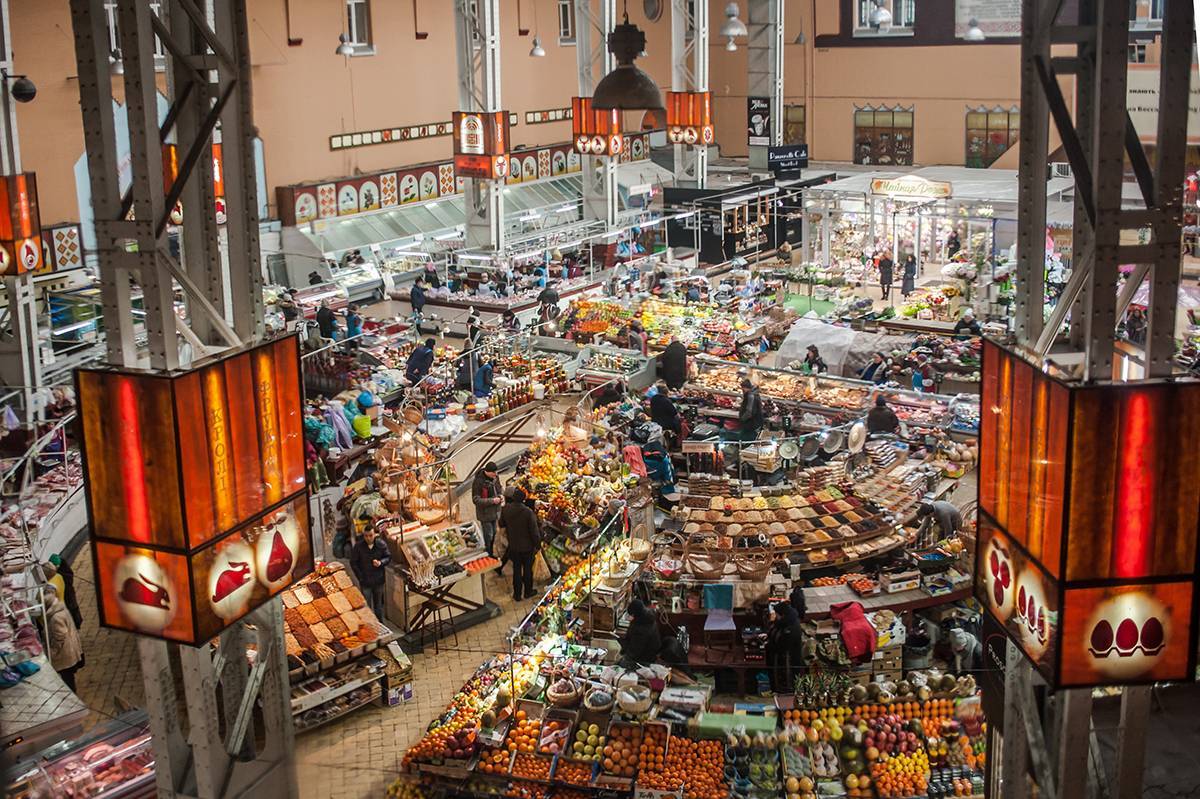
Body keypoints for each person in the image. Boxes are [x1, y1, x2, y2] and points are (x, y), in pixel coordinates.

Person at [500, 485, 541, 600]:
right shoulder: (528, 512)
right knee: (528, 570)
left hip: (513, 545)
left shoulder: (506, 509)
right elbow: (534, 532)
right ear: (524, 500)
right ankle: (528, 592)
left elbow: (501, 524)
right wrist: (538, 545)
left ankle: (517, 594)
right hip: (527, 547)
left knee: (517, 570)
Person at [43, 585, 83, 691]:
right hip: (70, 649)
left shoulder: (55, 617)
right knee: (69, 677)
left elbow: (60, 637)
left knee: (67, 678)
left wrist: (52, 652)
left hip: (64, 653)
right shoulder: (61, 608)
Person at [349, 527, 391, 620]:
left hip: (378, 580)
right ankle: (369, 625)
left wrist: (381, 562)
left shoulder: (381, 544)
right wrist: (360, 576)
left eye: (370, 535)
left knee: (378, 606)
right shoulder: (358, 547)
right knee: (366, 606)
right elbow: (353, 562)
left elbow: (388, 557)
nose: (368, 538)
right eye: (366, 536)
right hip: (365, 581)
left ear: (375, 535)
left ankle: (380, 623)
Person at [766, 601, 805, 692]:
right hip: (777, 660)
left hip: (787, 661)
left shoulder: (791, 628)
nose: (776, 616)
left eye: (777, 614)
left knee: (786, 682)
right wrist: (768, 636)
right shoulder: (782, 622)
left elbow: (782, 646)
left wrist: (769, 645)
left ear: (783, 615)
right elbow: (775, 629)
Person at [471, 463, 503, 558]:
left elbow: (499, 488)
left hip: (495, 512)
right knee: (488, 534)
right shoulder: (478, 482)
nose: (495, 474)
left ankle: (493, 551)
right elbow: (476, 499)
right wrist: (492, 501)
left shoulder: (495, 478)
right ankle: (489, 553)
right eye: (493, 472)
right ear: (487, 472)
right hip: (485, 514)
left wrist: (501, 495)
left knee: (494, 533)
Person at [620, 598, 662, 668]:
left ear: (635, 614)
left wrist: (623, 644)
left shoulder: (640, 629)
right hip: (651, 654)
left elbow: (634, 652)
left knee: (619, 666)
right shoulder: (647, 616)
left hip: (644, 659)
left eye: (631, 615)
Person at [48, 553, 83, 628]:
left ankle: (76, 623)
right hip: (67, 594)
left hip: (68, 594)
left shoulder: (63, 575)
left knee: (72, 608)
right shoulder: (65, 570)